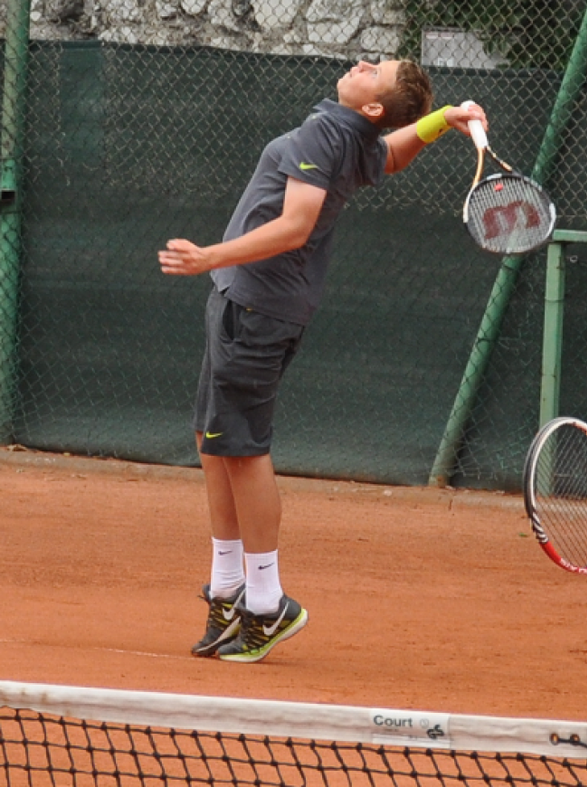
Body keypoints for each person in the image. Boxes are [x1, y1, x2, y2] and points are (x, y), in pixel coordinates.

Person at [158, 60, 487, 663]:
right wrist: (446, 118)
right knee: (214, 443)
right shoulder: (352, 135)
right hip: (247, 302)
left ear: (373, 108)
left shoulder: (325, 136)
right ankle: (230, 588)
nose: (363, 63)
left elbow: (295, 225)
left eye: (375, 71)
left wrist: (210, 256)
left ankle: (266, 602)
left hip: (257, 307)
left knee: (244, 449)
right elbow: (392, 155)